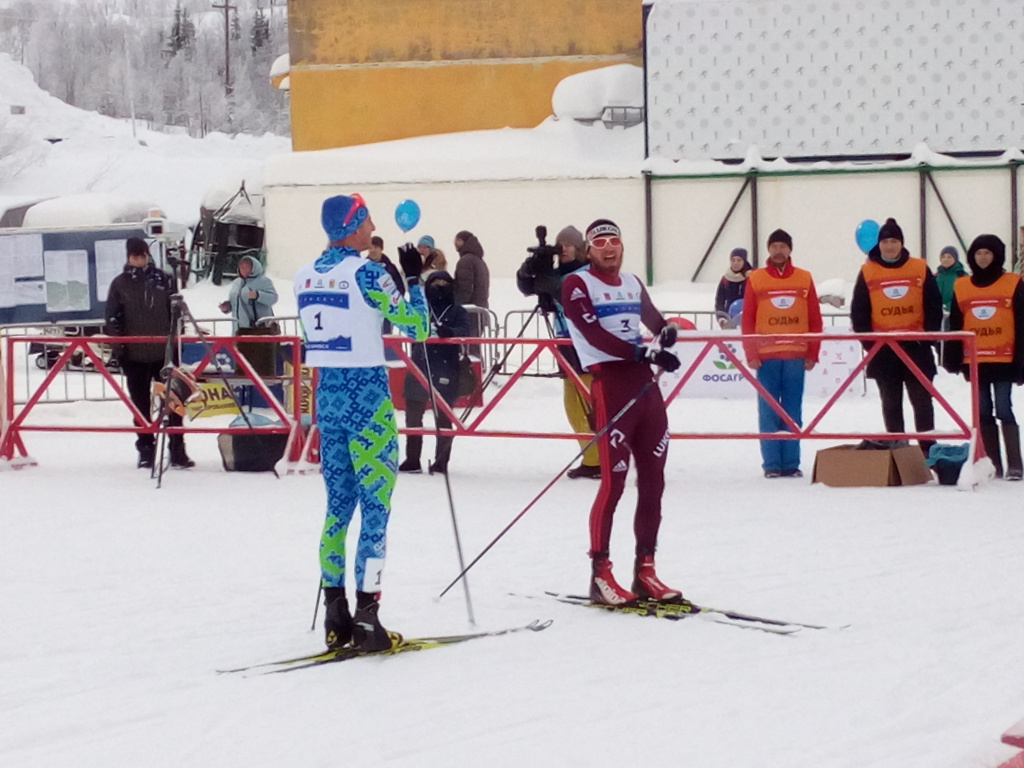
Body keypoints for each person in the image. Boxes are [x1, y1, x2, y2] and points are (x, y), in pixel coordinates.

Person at [293, 194, 429, 652]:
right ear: (352, 226)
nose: (373, 223)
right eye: (367, 217)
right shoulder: (367, 273)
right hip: (367, 401)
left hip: (328, 398)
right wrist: (415, 280)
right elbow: (418, 327)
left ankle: (335, 613)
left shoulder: (303, 274)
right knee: (375, 510)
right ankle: (367, 614)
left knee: (337, 508)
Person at [561, 218, 684, 607]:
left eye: (614, 241)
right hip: (611, 386)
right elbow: (594, 333)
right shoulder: (577, 284)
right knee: (612, 484)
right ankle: (600, 573)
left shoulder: (631, 281)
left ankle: (645, 569)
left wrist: (666, 331)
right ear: (588, 250)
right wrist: (643, 351)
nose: (609, 249)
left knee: (654, 481)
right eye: (600, 243)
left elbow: (653, 317)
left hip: (643, 387)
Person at [850, 217, 943, 456]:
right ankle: (900, 454)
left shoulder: (919, 267)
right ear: (878, 244)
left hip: (917, 348)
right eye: (885, 241)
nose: (889, 246)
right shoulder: (867, 271)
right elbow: (859, 310)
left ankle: (928, 454)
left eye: (894, 241)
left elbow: (933, 303)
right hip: (883, 352)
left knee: (922, 402)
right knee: (891, 404)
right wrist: (869, 343)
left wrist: (929, 338)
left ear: (901, 243)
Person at [516, 224, 600, 479]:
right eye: (560, 245)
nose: (563, 249)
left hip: (585, 344)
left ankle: (601, 458)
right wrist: (526, 271)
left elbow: (564, 291)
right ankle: (591, 456)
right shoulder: (557, 274)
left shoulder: (587, 273)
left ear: (581, 249)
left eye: (568, 245)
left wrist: (547, 282)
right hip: (565, 342)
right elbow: (529, 287)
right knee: (572, 404)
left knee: (591, 402)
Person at [105, 237, 193, 470]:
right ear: (128, 257)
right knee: (140, 405)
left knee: (174, 403)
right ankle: (145, 449)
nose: (140, 260)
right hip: (134, 356)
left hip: (164, 354)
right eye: (135, 257)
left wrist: (175, 344)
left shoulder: (164, 280)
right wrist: (120, 348)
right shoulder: (120, 284)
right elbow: (113, 318)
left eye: (143, 256)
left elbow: (176, 315)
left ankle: (177, 449)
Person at [741, 229, 822, 478]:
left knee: (792, 409)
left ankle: (791, 463)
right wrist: (750, 352)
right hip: (766, 356)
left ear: (790, 250)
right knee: (768, 409)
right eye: (774, 246)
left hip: (796, 355)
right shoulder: (755, 278)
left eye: (783, 246)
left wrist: (813, 352)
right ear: (768, 249)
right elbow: (748, 319)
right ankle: (772, 465)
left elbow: (814, 318)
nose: (778, 251)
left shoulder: (804, 278)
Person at [942, 234, 1024, 480]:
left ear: (996, 255)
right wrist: (952, 358)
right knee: (983, 411)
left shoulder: (1013, 282)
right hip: (975, 361)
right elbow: (956, 325)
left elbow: (1021, 322)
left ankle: (1015, 464)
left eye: (987, 253)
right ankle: (992, 463)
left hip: (1004, 360)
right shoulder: (962, 286)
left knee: (1003, 408)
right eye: (978, 253)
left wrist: (1021, 360)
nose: (983, 257)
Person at [398, 270, 470, 476]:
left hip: (447, 367)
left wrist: (451, 332)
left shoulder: (458, 311)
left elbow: (465, 330)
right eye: (435, 282)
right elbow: (408, 324)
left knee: (444, 418)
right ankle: (412, 459)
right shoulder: (421, 309)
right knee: (412, 415)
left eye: (444, 282)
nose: (439, 286)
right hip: (419, 365)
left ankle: (441, 461)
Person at [218, 254, 279, 377]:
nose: (244, 270)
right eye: (241, 267)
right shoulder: (236, 283)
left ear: (254, 267)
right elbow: (235, 301)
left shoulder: (264, 281)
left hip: (258, 328)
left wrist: (258, 295)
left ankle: (257, 379)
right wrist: (227, 306)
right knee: (241, 358)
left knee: (258, 360)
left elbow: (274, 298)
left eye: (247, 267)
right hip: (239, 328)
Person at [454, 230, 490, 357]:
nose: (455, 244)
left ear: (463, 241)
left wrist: (456, 307)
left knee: (468, 347)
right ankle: (478, 371)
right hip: (481, 308)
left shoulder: (466, 261)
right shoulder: (480, 261)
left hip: (470, 311)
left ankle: (472, 374)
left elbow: (465, 289)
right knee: (474, 345)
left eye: (457, 240)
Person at [715, 247, 752, 328]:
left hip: (749, 319)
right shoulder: (726, 279)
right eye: (733, 260)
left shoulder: (752, 277)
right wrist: (721, 318)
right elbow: (719, 300)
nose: (735, 263)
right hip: (729, 320)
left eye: (739, 260)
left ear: (744, 261)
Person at [935, 245, 968, 324]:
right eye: (943, 257)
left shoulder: (962, 276)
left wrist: (948, 306)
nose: (946, 259)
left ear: (955, 259)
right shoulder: (936, 276)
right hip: (938, 315)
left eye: (949, 257)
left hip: (956, 315)